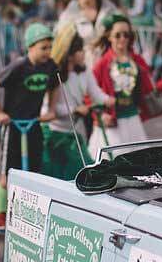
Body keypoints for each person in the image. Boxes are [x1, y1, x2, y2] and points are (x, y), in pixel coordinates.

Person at [0, 22, 60, 232]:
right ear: (30, 47)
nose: (47, 52)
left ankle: (29, 212)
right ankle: (0, 214)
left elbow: (55, 85)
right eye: (43, 48)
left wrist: (51, 109)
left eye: (49, 47)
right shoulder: (18, 66)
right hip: (13, 125)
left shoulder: (50, 67)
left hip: (33, 123)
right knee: (8, 171)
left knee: (35, 169)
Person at [41, 23, 114, 180]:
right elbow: (48, 109)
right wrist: (74, 109)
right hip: (56, 135)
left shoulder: (84, 72)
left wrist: (108, 100)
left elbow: (96, 93)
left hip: (76, 133)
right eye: (80, 50)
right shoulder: (56, 76)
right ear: (70, 54)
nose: (83, 54)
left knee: (81, 169)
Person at [88, 14, 155, 158]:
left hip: (133, 121)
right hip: (112, 124)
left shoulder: (137, 60)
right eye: (118, 35)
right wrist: (99, 116)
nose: (123, 39)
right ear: (109, 37)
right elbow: (89, 93)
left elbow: (148, 91)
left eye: (127, 35)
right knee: (113, 166)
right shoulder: (102, 64)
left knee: (138, 163)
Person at [56, 0, 120, 67]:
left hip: (108, 71)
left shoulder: (111, 11)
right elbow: (59, 50)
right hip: (81, 74)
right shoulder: (67, 17)